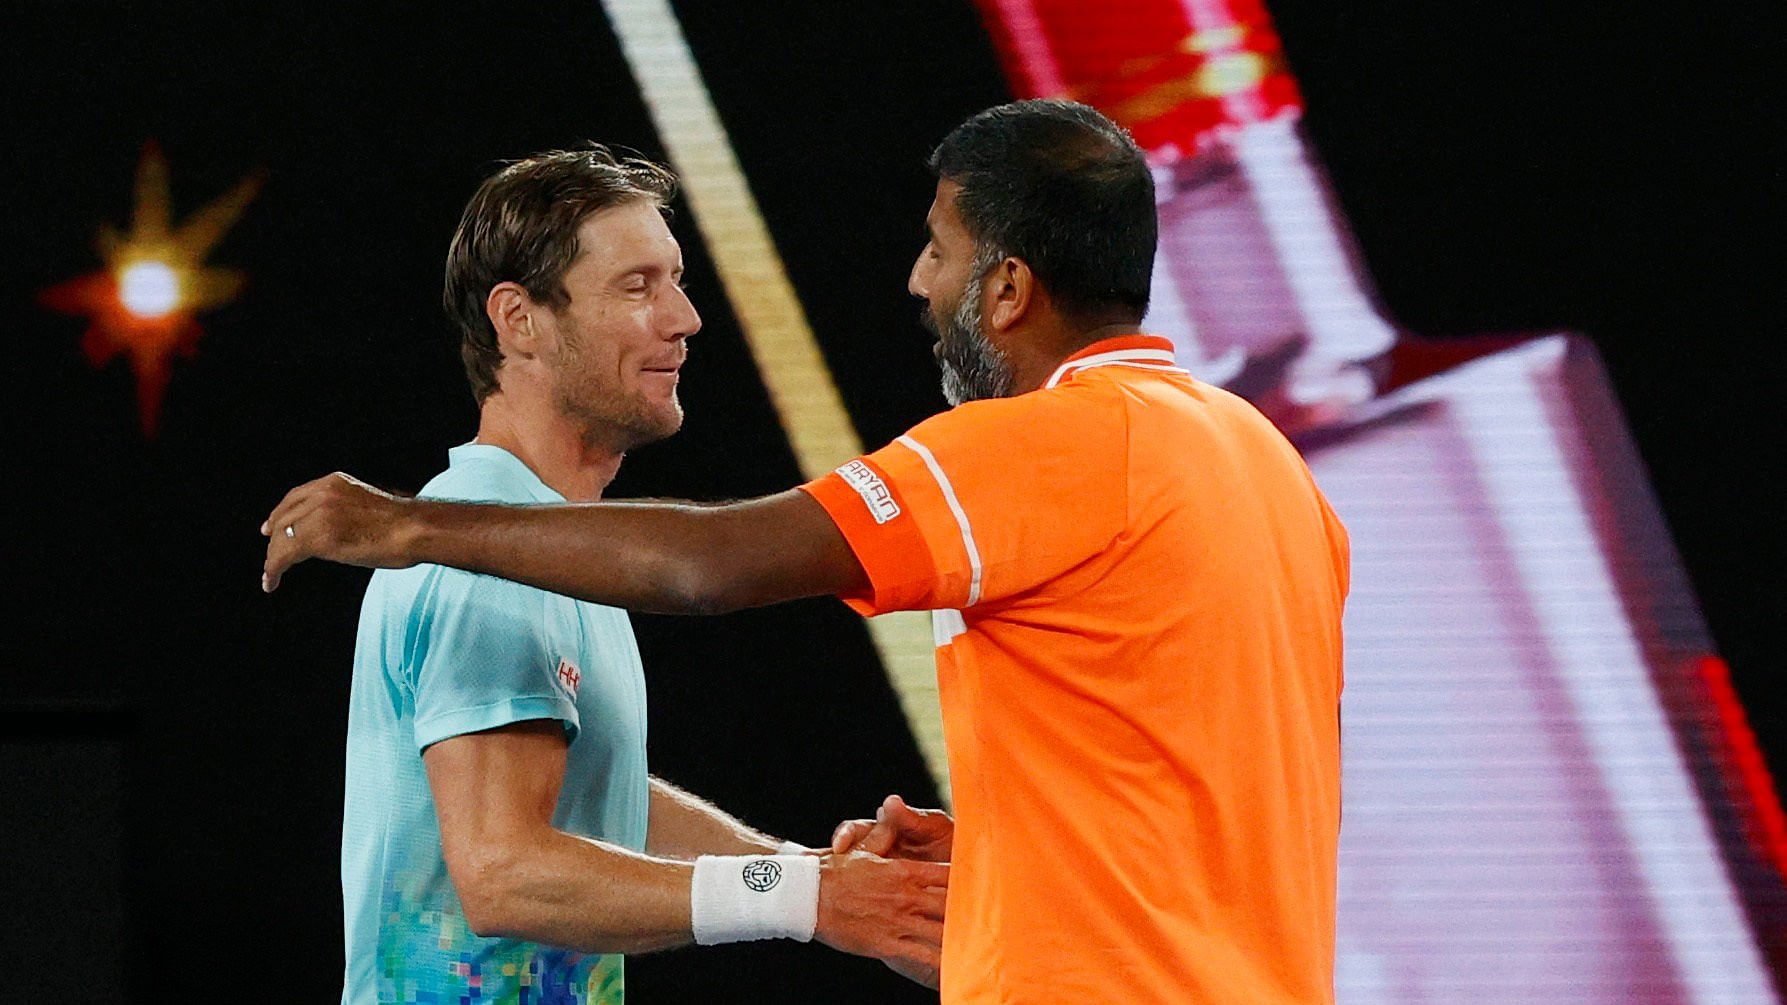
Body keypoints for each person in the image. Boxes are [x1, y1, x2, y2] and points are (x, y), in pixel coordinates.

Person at [266, 101, 1349, 1004]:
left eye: (941, 250)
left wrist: (405, 526)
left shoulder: (1044, 443)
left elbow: (711, 566)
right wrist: (833, 881)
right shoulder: (1267, 464)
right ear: (519, 321)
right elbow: (1196, 787)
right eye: (639, 286)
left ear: (1009, 289)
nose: (919, 283)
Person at [323, 145, 947, 1005]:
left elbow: (599, 798)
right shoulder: (485, 549)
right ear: (520, 320)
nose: (685, 317)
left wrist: (819, 875)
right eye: (637, 286)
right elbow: (503, 872)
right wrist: (806, 899)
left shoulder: (543, 539)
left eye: (677, 279)